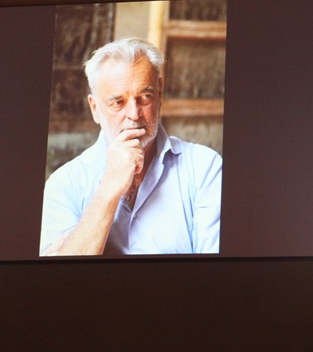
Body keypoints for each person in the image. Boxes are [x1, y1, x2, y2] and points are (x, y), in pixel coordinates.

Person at [40, 37, 222, 255]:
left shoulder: (205, 168)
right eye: (118, 102)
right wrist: (109, 187)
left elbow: (215, 270)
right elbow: (59, 274)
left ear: (159, 94)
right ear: (95, 108)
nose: (134, 114)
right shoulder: (63, 184)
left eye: (145, 97)